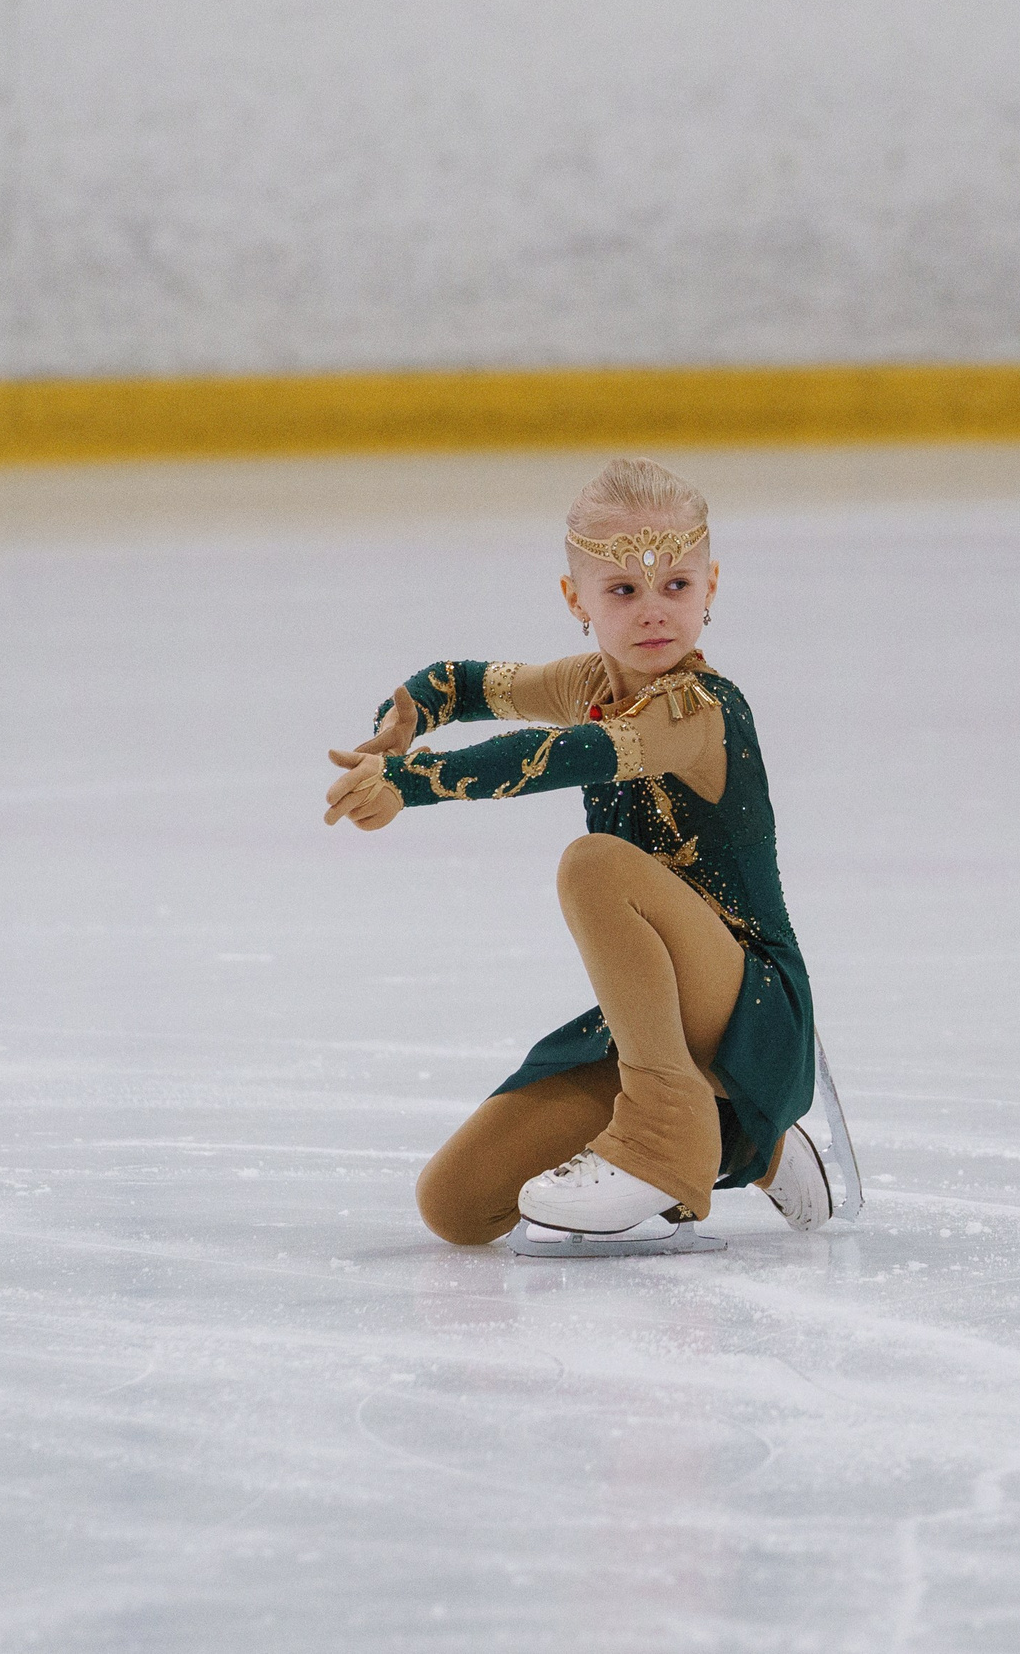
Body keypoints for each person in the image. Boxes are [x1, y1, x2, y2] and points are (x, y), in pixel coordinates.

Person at [323, 457, 832, 1248]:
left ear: (711, 586)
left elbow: (567, 754)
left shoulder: (699, 712)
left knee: (593, 863)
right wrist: (406, 720)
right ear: (576, 598)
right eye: (624, 590)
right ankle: (756, 1143)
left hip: (752, 1000)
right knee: (457, 1205)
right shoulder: (590, 681)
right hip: (657, 1013)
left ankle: (668, 1136)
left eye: (677, 586)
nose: (654, 611)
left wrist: (409, 782)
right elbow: (462, 683)